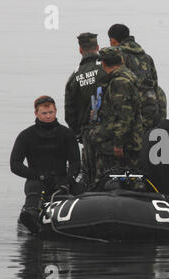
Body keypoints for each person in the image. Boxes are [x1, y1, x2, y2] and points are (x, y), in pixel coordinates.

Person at [10, 96, 81, 233]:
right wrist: (39, 176)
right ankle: (31, 217)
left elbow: (75, 162)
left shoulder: (67, 134)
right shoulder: (26, 135)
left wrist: (68, 180)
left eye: (51, 113)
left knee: (81, 189)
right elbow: (15, 164)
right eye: (44, 113)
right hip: (37, 179)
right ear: (36, 113)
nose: (48, 116)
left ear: (55, 111)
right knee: (35, 190)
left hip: (62, 178)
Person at [89, 47, 144, 186]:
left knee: (109, 178)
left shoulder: (119, 82)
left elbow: (124, 115)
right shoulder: (127, 75)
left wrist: (118, 144)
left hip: (120, 142)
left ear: (103, 64)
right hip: (129, 138)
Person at [64, 32, 107, 186]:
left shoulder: (74, 77)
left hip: (87, 131)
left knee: (90, 174)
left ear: (80, 50)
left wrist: (79, 133)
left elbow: (69, 112)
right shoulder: (106, 69)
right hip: (109, 129)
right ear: (97, 47)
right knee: (110, 172)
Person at [108, 24, 167, 131]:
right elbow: (155, 85)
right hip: (150, 110)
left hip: (130, 114)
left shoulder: (116, 56)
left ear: (112, 41)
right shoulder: (147, 58)